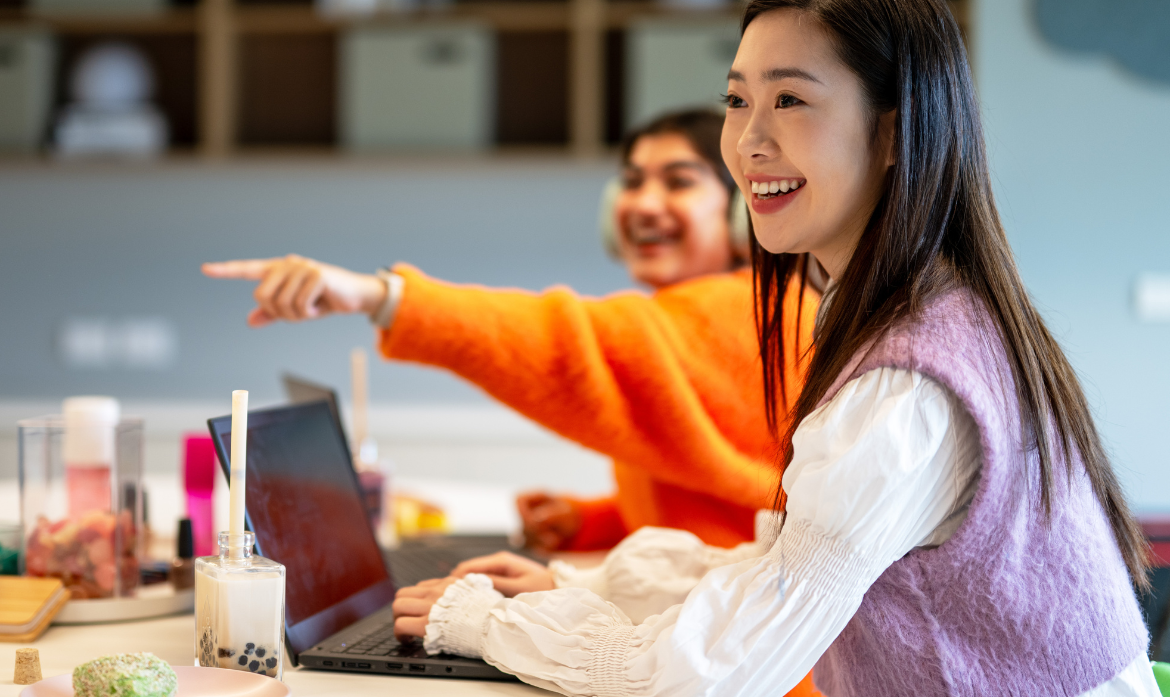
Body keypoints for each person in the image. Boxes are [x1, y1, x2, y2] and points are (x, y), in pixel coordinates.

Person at [386, 0, 1158, 694]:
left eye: (790, 99)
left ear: (895, 131)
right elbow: (787, 563)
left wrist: (484, 623)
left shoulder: (904, 391)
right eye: (737, 100)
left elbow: (702, 675)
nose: (749, 141)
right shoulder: (921, 310)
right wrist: (582, 590)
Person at [203, 109, 820, 559]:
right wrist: (595, 521)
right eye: (631, 181)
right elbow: (728, 495)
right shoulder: (705, 318)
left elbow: (570, 342)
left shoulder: (749, 310)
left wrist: (379, 295)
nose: (644, 203)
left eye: (679, 181)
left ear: (744, 206)